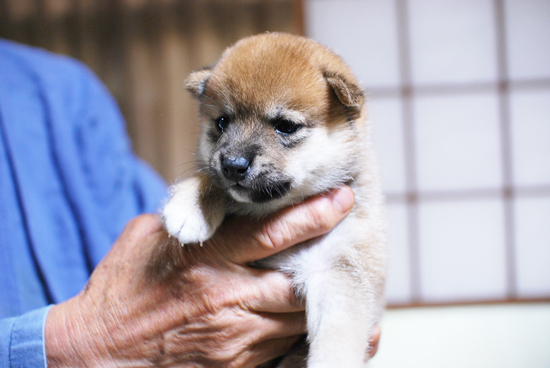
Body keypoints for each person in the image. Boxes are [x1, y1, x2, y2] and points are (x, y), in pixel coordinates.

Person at [0, 38, 379, 367]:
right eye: (222, 124)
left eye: (286, 127)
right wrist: (65, 346)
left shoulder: (64, 90)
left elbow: (171, 254)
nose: (234, 157)